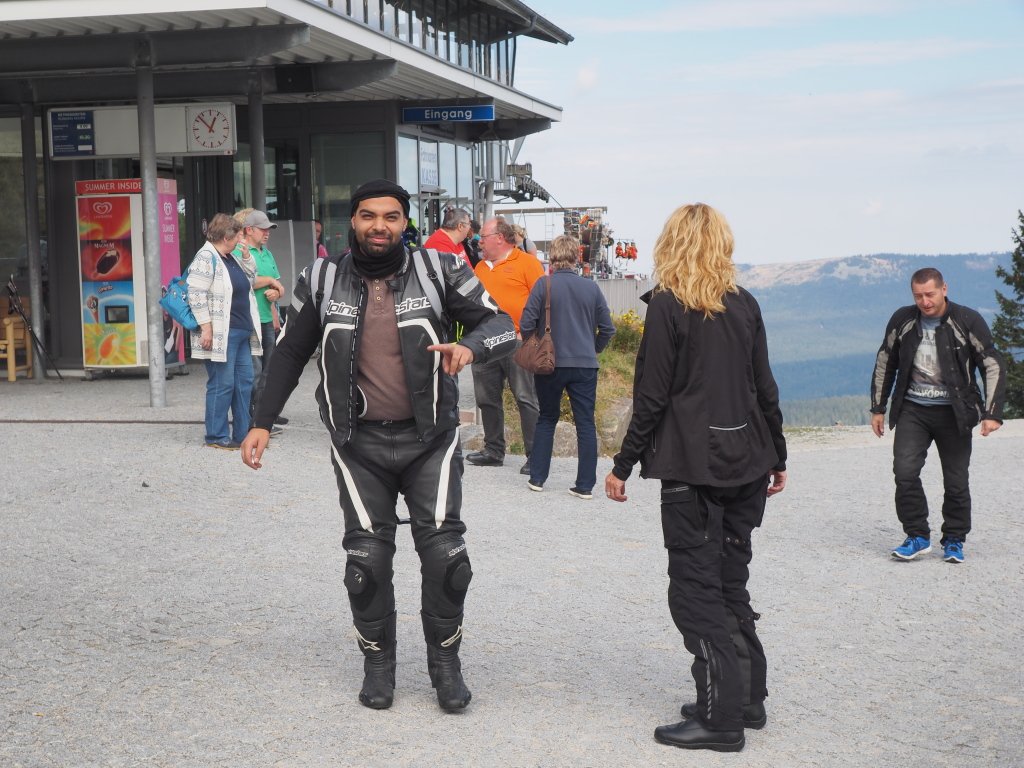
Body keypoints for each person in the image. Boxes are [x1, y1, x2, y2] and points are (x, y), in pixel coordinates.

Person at [239, 179, 516, 712]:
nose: (379, 226)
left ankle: (445, 665)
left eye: (391, 217)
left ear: (404, 223)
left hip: (430, 439)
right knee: (365, 562)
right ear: (353, 221)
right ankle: (378, 666)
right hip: (357, 443)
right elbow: (290, 352)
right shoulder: (321, 278)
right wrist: (261, 422)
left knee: (447, 560)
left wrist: (472, 348)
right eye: (368, 216)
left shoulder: (440, 269)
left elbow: (504, 325)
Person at [604, 203, 787, 753]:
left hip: (693, 469)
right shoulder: (744, 302)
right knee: (729, 582)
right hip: (747, 462)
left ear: (672, 244)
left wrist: (622, 464)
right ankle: (745, 700)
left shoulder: (668, 305)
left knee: (695, 592)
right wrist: (778, 455)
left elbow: (652, 394)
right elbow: (764, 386)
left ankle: (720, 720)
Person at [870, 267, 1005, 563]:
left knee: (956, 480)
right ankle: (917, 536)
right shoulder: (903, 320)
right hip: (913, 410)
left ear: (944, 289)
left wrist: (992, 412)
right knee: (904, 473)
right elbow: (885, 361)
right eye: (918, 296)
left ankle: (954, 539)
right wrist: (878, 408)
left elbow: (991, 363)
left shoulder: (967, 319)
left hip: (955, 412)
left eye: (929, 294)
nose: (925, 301)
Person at [519, 234, 615, 499]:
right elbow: (608, 329)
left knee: (547, 418)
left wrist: (535, 345)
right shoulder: (591, 288)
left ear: (552, 257)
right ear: (577, 257)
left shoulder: (544, 284)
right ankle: (584, 486)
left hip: (550, 362)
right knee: (585, 423)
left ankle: (537, 478)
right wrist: (592, 349)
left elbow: (526, 323)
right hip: (585, 364)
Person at [466, 217, 544, 475]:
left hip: (518, 341)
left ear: (499, 238)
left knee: (525, 398)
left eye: (483, 237)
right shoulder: (480, 267)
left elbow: (545, 302)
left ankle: (535, 456)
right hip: (485, 342)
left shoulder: (528, 263)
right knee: (486, 398)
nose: (479, 242)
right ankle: (493, 450)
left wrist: (530, 335)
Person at [187, 213, 262, 450]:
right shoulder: (206, 256)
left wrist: (247, 256)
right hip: (223, 333)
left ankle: (242, 433)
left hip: (240, 331)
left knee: (244, 383)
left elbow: (250, 280)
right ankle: (216, 435)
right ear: (226, 237)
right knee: (223, 383)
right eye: (238, 235)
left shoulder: (231, 257)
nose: (241, 240)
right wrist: (206, 328)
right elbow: (195, 293)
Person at [233, 209, 287, 431]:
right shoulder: (239, 250)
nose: (267, 233)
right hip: (250, 320)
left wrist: (277, 294)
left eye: (269, 229)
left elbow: (278, 285)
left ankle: (264, 414)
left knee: (269, 371)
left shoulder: (267, 253)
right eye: (263, 229)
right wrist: (271, 282)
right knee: (253, 371)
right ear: (249, 230)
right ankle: (252, 419)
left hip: (267, 318)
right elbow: (248, 281)